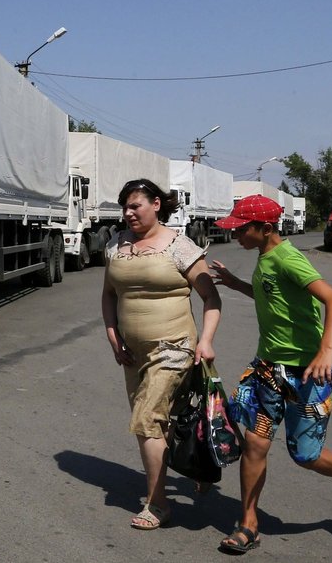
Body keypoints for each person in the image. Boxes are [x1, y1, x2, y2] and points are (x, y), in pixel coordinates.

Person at [208, 194, 332, 554]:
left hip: (307, 375)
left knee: (306, 455)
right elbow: (275, 299)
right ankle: (249, 524)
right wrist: (237, 285)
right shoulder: (265, 257)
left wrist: (326, 350)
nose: (235, 236)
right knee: (255, 443)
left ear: (265, 229)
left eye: (241, 229)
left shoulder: (288, 258)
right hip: (268, 371)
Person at [101, 178, 222, 530]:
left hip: (173, 347)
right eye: (124, 207)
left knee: (147, 420)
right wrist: (113, 336)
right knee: (167, 422)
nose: (127, 213)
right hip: (132, 352)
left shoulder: (179, 247)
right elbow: (109, 294)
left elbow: (211, 298)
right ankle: (199, 465)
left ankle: (158, 504)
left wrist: (207, 340)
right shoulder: (115, 245)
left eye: (135, 206)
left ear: (156, 205)